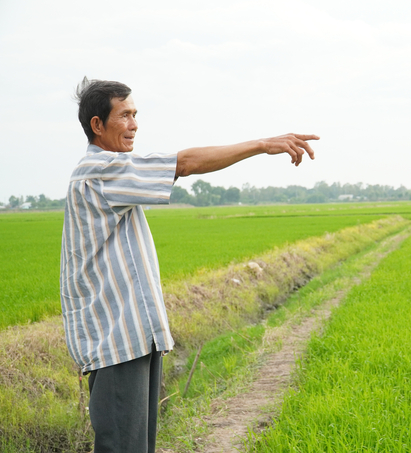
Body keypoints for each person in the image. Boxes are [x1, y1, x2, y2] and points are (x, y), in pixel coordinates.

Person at [60, 77, 318, 453]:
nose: (134, 125)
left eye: (135, 115)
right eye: (124, 116)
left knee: (137, 446)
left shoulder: (117, 173)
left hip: (134, 337)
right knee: (122, 446)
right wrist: (262, 145)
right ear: (97, 125)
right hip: (116, 339)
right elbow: (185, 163)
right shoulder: (100, 172)